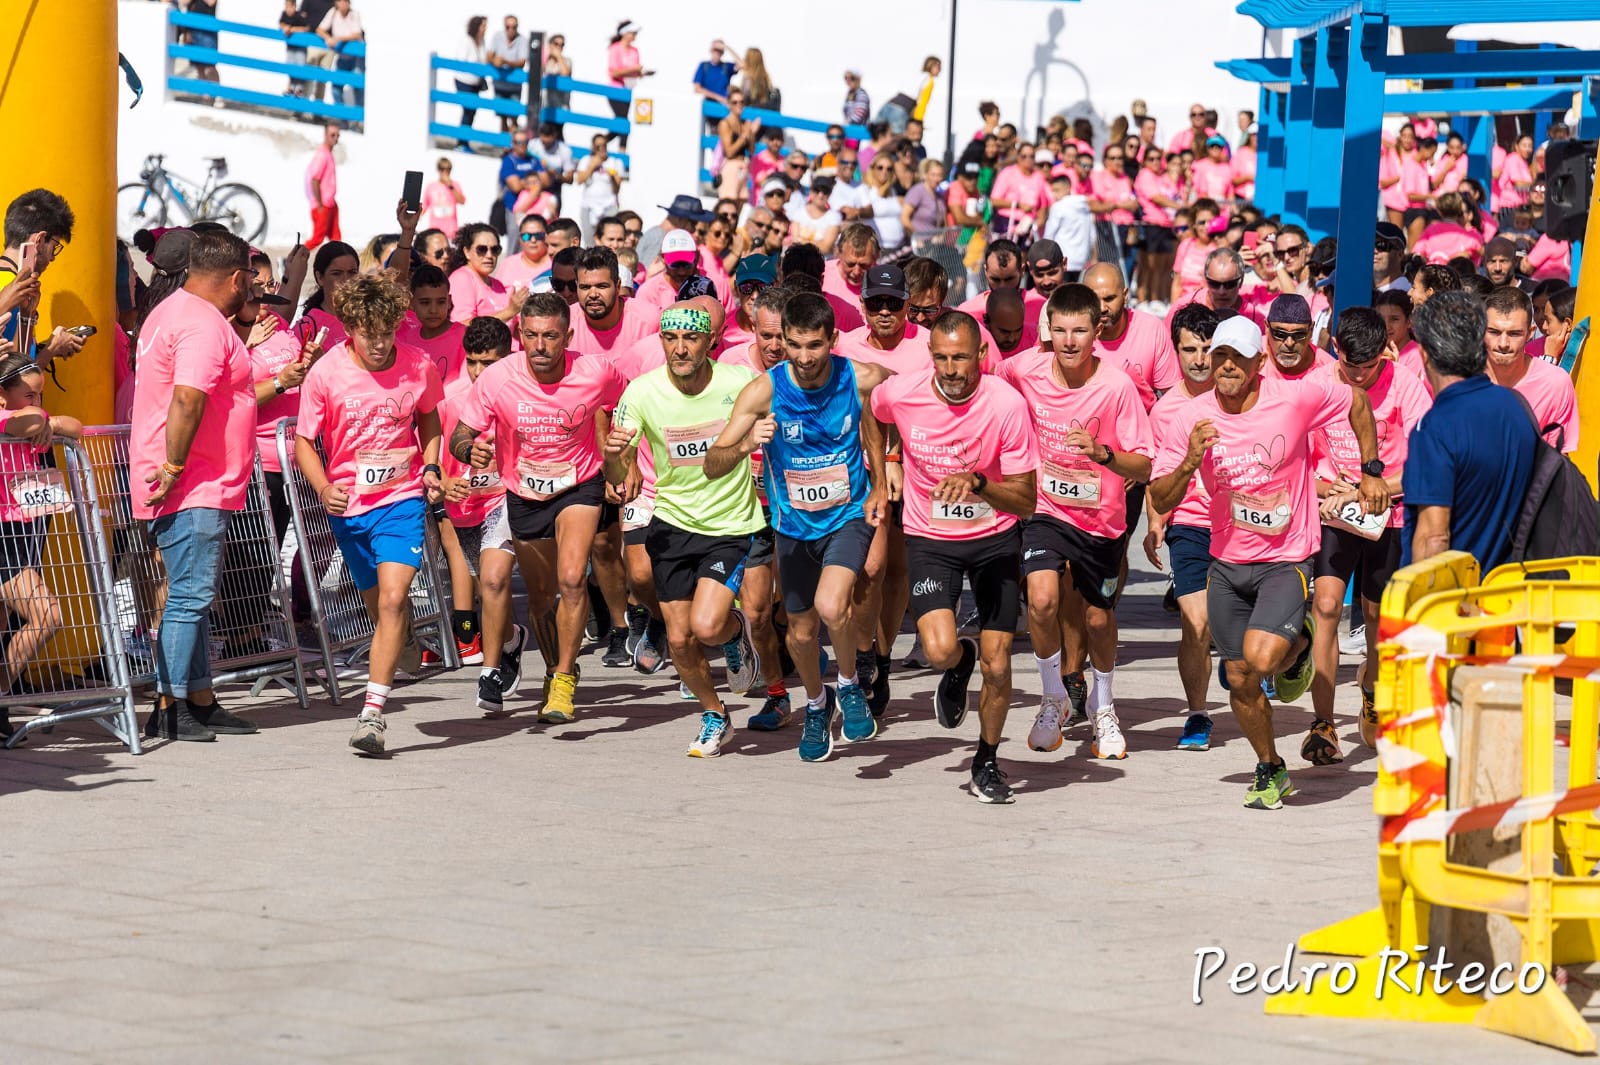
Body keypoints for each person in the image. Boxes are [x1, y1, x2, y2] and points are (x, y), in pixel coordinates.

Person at [1148, 316, 1388, 810]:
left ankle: (1296, 644)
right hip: (1227, 563)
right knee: (1239, 676)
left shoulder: (1292, 400)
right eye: (1220, 357)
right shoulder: (1187, 419)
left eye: (1239, 357)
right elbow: (1159, 494)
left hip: (1286, 558)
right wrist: (1190, 461)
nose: (1228, 366)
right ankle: (1270, 766)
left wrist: (1370, 471)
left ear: (1260, 363)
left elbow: (1358, 403)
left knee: (1259, 659)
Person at [706, 292, 890, 757]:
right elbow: (712, 463)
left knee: (833, 606)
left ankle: (848, 684)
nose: (804, 357)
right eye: (794, 345)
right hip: (792, 528)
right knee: (802, 635)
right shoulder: (764, 391)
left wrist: (886, 473)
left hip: (848, 515)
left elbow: (915, 404)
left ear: (833, 339)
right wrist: (748, 439)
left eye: (814, 345)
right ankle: (815, 703)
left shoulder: (861, 377)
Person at [868, 311, 1038, 803]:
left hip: (994, 540)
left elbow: (1025, 500)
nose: (951, 369)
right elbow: (872, 411)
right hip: (931, 537)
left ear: (981, 355)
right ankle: (958, 665)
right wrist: (884, 473)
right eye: (941, 358)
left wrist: (981, 483)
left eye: (960, 358)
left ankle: (986, 760)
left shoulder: (1006, 405)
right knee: (939, 650)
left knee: (1000, 664)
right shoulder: (904, 392)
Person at [451, 292, 627, 722]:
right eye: (531, 336)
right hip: (524, 493)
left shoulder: (595, 370)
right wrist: (467, 448)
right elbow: (460, 432)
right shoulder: (497, 378)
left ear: (567, 335)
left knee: (571, 579)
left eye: (550, 336)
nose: (540, 346)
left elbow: (627, 404)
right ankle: (552, 668)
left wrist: (622, 458)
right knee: (543, 598)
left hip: (579, 485)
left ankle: (565, 680)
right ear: (520, 336)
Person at [603, 304, 763, 757]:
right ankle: (715, 714)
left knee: (707, 625)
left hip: (730, 521)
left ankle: (734, 635)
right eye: (670, 339)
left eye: (690, 339)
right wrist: (615, 457)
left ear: (710, 341)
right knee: (678, 638)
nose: (679, 348)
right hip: (671, 522)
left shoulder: (737, 383)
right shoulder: (642, 391)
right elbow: (619, 466)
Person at [295, 273, 444, 755]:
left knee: (395, 600)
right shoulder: (326, 373)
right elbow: (304, 443)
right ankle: (399, 635)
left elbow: (429, 418)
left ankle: (372, 716)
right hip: (349, 507)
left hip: (401, 500)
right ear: (350, 328)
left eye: (387, 332)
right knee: (379, 605)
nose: (380, 344)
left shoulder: (418, 364)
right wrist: (322, 487)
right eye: (368, 334)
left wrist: (432, 464)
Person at [1002, 285, 1151, 761]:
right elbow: (984, 382)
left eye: (1079, 331)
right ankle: (1053, 698)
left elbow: (1144, 466)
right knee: (1041, 600)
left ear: (1097, 331)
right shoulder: (1023, 368)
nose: (1068, 341)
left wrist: (1103, 454)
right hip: (1044, 509)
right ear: (1049, 329)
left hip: (1099, 521)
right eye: (1060, 330)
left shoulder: (1117, 386)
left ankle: (1103, 705)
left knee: (1097, 617)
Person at [131, 230, 260, 742]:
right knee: (190, 594)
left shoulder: (172, 309)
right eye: (248, 279)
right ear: (235, 277)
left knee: (194, 594)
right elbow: (187, 399)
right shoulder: (203, 323)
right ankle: (170, 703)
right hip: (193, 483)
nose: (249, 287)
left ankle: (200, 699)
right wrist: (175, 467)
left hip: (193, 479)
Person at [1306, 306, 1431, 756]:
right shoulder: (1318, 387)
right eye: (1349, 366)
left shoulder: (1406, 385)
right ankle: (1322, 724)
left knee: (1376, 618)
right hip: (1335, 515)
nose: (1358, 377)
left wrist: (1367, 489)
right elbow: (1296, 464)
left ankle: (1373, 690)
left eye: (1369, 367)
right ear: (1335, 349)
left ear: (1386, 352)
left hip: (1389, 516)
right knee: (1325, 608)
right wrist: (1328, 490)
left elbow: (1426, 463)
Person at [1403, 291, 1538, 571]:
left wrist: (1415, 609)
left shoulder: (1435, 427)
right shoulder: (1517, 407)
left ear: (1424, 353)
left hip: (1454, 602)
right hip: (1506, 595)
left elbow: (1433, 537)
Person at [1144, 305, 1220, 750]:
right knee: (1196, 622)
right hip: (1189, 523)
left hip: (1240, 525)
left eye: (1208, 349)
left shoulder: (1242, 396)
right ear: (1175, 351)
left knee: (1233, 624)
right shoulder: (1165, 410)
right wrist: (1155, 525)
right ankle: (1197, 714)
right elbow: (1159, 478)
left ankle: (1245, 666)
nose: (1199, 359)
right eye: (1189, 349)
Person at [0, 352, 84, 739]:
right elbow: (31, 421)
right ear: (3, 396)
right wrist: (43, 420)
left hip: (25, 532)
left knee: (4, 626)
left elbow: (76, 426)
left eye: (41, 394)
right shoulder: (7, 420)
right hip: (5, 538)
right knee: (47, 615)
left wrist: (46, 420)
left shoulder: (32, 423)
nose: (39, 402)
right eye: (30, 394)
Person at [434, 316, 513, 667]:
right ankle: (508, 640)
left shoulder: (520, 394)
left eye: (489, 363)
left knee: (496, 581)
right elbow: (433, 457)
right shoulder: (450, 399)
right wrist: (443, 482)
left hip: (507, 500)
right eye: (472, 361)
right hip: (465, 507)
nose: (479, 372)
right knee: (486, 586)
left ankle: (493, 667)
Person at [1481, 285, 1578, 453]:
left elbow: (1557, 460)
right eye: (1494, 332)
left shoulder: (1556, 383)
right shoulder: (1462, 378)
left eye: (1514, 334)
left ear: (1530, 333)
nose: (1503, 344)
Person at [0, 189, 86, 371]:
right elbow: (18, 378)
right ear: (39, 240)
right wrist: (51, 349)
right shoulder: (16, 290)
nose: (52, 258)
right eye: (54, 246)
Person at [398, 263, 466, 387]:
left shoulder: (464, 336)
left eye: (441, 302)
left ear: (449, 301)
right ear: (412, 303)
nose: (433, 310)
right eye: (425, 302)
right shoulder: (406, 340)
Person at [449, 223, 524, 323]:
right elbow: (462, 326)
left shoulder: (498, 285)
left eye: (495, 250)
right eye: (481, 249)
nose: (489, 255)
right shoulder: (461, 278)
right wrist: (509, 312)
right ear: (467, 252)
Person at [606, 21, 651, 152]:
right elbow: (614, 72)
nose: (635, 35)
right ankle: (621, 154)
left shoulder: (634, 51)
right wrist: (633, 69)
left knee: (620, 123)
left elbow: (634, 72)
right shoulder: (615, 49)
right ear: (625, 34)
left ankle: (600, 142)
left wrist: (642, 73)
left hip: (629, 90)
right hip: (616, 90)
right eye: (633, 33)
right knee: (623, 123)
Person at [315, 0, 364, 110]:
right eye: (339, 1)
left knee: (358, 86)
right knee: (336, 87)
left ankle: (358, 120)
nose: (342, 4)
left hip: (356, 58)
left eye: (344, 1)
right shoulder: (333, 13)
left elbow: (356, 34)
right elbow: (319, 29)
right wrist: (328, 38)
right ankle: (342, 118)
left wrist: (337, 39)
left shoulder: (354, 15)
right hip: (342, 57)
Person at [576, 133, 625, 240]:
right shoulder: (586, 160)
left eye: (604, 145)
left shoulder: (615, 162)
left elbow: (617, 189)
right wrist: (592, 166)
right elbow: (579, 180)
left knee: (609, 238)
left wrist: (612, 177)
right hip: (589, 205)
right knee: (589, 239)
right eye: (598, 146)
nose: (602, 149)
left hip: (609, 205)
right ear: (593, 147)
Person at [486, 14, 529, 135]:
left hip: (514, 85)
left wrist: (505, 61)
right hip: (499, 83)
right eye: (508, 27)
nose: (511, 30)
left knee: (514, 116)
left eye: (514, 27)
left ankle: (515, 144)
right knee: (502, 116)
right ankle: (505, 145)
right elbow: (489, 55)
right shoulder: (497, 37)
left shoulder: (522, 40)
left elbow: (522, 62)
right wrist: (495, 61)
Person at [497, 129, 544, 237]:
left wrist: (524, 182)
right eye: (519, 142)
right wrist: (534, 182)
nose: (522, 145)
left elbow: (546, 181)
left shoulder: (533, 160)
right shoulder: (508, 161)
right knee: (516, 240)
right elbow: (515, 186)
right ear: (513, 143)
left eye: (525, 142)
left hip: (535, 208)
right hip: (514, 208)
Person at [716, 90, 760, 200]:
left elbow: (751, 150)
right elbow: (729, 152)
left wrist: (752, 134)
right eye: (734, 102)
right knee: (728, 205)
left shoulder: (744, 123)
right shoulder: (725, 123)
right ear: (729, 104)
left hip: (743, 166)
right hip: (731, 167)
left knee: (740, 204)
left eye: (741, 102)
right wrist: (745, 135)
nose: (738, 105)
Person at [494, 215, 550, 291]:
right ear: (520, 239)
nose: (533, 240)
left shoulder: (556, 264)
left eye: (538, 236)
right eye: (526, 236)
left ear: (547, 237)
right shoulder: (508, 264)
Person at [306, 124, 340, 249]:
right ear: (325, 135)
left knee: (336, 238)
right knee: (317, 238)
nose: (335, 138)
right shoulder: (322, 155)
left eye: (337, 135)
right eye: (332, 135)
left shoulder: (328, 154)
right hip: (323, 204)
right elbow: (314, 179)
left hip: (331, 203)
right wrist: (320, 203)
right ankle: (291, 259)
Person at [453, 16, 488, 136]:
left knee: (472, 111)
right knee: (467, 111)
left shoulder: (481, 41)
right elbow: (462, 62)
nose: (485, 29)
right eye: (483, 26)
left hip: (476, 82)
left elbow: (484, 60)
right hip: (464, 81)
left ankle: (465, 139)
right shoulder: (466, 41)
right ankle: (461, 141)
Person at [421, 157, 465, 242]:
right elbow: (424, 206)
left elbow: (462, 201)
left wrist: (450, 186)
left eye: (448, 169)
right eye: (442, 169)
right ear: (438, 170)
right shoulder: (431, 186)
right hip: (435, 230)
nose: (445, 172)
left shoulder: (455, 185)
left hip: (451, 231)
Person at [692, 38, 739, 107]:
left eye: (719, 51)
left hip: (725, 105)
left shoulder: (726, 67)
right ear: (711, 51)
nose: (717, 53)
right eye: (715, 50)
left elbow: (742, 65)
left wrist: (727, 47)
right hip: (709, 104)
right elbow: (697, 88)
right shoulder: (704, 66)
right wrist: (717, 97)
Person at [1372, 221, 1411, 292]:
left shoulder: (1408, 295)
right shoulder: (1361, 290)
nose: (1374, 251)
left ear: (1400, 254)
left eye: (1381, 245)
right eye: (1370, 245)